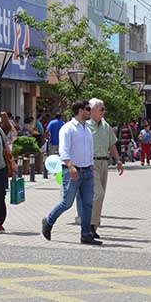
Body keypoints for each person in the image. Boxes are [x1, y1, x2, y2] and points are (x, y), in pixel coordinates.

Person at [41, 100, 101, 245]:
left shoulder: (87, 128)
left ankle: (85, 234)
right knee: (66, 203)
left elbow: (89, 149)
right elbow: (64, 150)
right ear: (80, 110)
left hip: (87, 171)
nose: (89, 112)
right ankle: (48, 221)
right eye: (87, 109)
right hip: (72, 170)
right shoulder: (68, 128)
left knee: (87, 204)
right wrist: (70, 165)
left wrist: (91, 165)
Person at [81, 98, 123, 238]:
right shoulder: (85, 126)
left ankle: (93, 225)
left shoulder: (106, 126)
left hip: (104, 163)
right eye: (101, 109)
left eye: (104, 109)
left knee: (100, 195)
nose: (103, 112)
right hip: (90, 164)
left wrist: (118, 160)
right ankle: (89, 224)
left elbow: (112, 144)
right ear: (91, 111)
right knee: (98, 194)